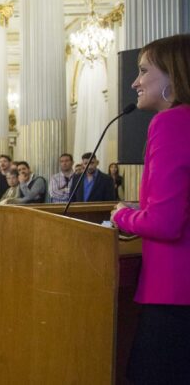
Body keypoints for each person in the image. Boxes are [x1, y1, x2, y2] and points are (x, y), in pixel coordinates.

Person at [110, 34, 190, 385]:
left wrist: (121, 215)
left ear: (173, 76)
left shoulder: (171, 123)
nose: (135, 82)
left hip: (174, 292)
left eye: (144, 71)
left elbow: (165, 222)